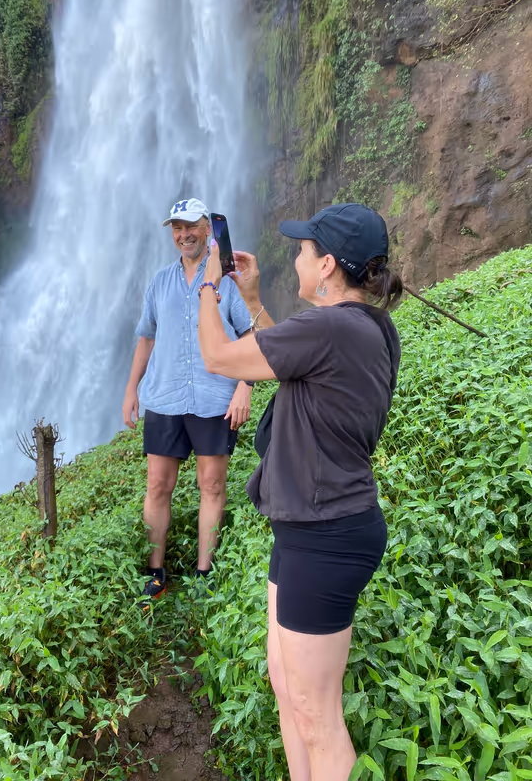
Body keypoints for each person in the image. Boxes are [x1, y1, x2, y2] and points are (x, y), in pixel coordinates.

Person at [197, 203, 403, 781]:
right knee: (285, 683)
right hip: (307, 528)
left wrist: (209, 283)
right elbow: (293, 360)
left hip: (326, 535)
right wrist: (257, 302)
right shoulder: (366, 328)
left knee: (318, 715)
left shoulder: (332, 328)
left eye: (304, 250)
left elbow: (217, 356)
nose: (296, 258)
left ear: (329, 265)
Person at [123, 197, 254, 604]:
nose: (184, 235)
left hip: (215, 399)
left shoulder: (227, 282)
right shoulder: (160, 281)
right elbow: (146, 336)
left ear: (207, 228)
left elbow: (251, 334)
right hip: (163, 398)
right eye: (177, 228)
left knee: (211, 485)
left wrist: (244, 387)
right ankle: (155, 572)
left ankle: (204, 573)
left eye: (191, 226)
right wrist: (131, 389)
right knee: (157, 485)